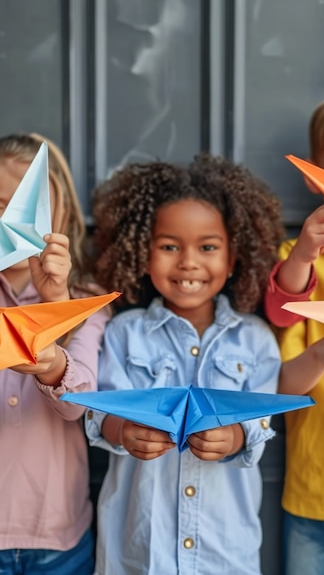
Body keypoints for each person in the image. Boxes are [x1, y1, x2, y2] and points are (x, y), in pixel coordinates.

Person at [85, 153, 284, 575]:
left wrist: (234, 436)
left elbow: (261, 423)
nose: (189, 262)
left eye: (208, 247)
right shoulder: (125, 334)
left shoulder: (256, 340)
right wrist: (123, 429)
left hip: (224, 552)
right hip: (140, 552)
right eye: (169, 246)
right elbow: (97, 413)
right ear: (143, 253)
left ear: (232, 259)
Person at [0, 133, 111, 575]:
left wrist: (55, 305)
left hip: (58, 537)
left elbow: (75, 406)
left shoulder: (88, 299)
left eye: (18, 209)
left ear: (55, 212)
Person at [264, 85, 324, 575]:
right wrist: (323, 355)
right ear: (316, 177)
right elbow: (280, 386)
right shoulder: (297, 260)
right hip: (317, 493)